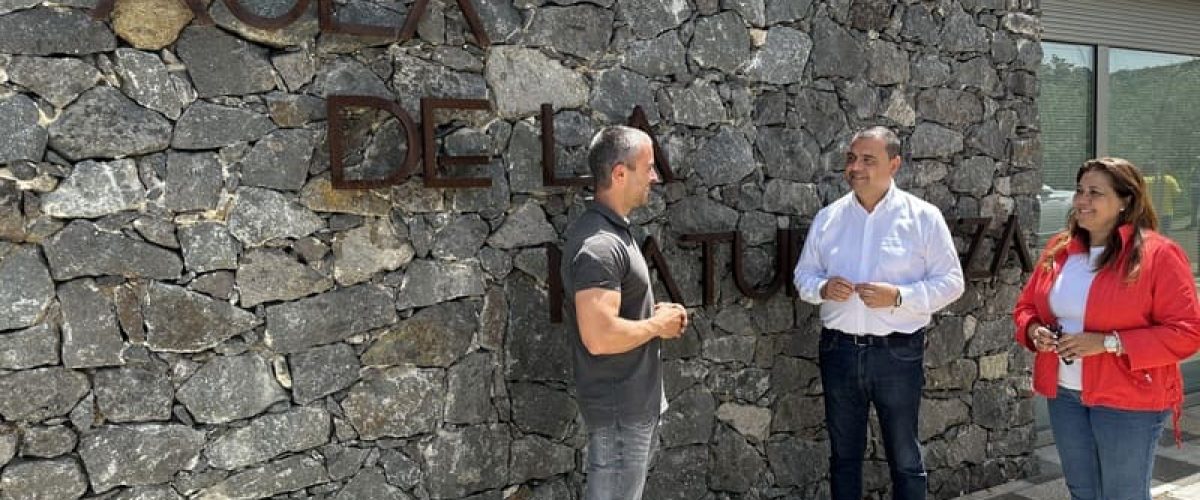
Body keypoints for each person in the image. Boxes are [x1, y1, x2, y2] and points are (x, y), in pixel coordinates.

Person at [793, 126, 965, 500]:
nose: (856, 167)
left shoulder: (923, 217)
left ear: (895, 164)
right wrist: (822, 288)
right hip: (839, 351)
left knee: (905, 457)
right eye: (852, 159)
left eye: (868, 159)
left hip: (898, 354)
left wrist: (899, 297)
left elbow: (952, 282)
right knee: (843, 457)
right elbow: (803, 275)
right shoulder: (828, 218)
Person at [1013, 157, 1200, 500]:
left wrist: (1109, 343)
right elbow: (1026, 307)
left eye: (1095, 193)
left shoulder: (1159, 255)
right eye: (1080, 190)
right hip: (1065, 395)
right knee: (1083, 491)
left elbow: (1187, 332)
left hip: (1128, 399)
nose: (1082, 200)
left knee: (1122, 494)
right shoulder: (1060, 248)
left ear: (1125, 201)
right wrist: (1034, 330)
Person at [561, 125, 688, 500]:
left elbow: (615, 316)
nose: (655, 176)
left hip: (630, 411)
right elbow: (599, 337)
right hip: (620, 414)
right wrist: (656, 325)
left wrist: (651, 314)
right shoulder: (600, 246)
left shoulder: (616, 234)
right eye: (647, 167)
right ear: (619, 173)